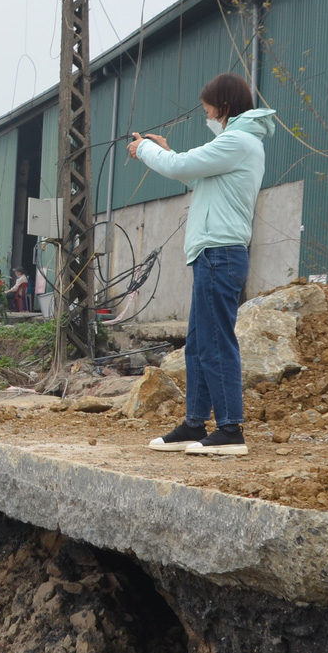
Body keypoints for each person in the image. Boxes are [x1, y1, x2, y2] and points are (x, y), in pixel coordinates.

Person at [128, 72, 275, 458]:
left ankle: (230, 429)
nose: (205, 112)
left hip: (220, 254)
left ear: (224, 106)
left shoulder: (237, 141)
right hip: (213, 254)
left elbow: (180, 167)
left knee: (215, 344)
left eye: (208, 106)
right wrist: (165, 151)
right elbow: (196, 175)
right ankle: (196, 422)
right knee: (198, 344)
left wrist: (146, 150)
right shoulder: (235, 145)